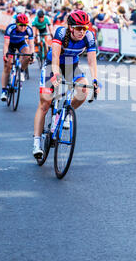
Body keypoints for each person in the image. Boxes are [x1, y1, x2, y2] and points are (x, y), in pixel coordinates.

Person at [33, 9, 100, 158]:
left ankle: (67, 114)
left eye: (85, 27)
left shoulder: (89, 36)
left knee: (83, 89)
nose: (82, 31)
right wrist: (56, 74)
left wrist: (95, 80)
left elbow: (91, 60)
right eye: (78, 28)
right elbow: (56, 55)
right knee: (45, 104)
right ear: (71, 27)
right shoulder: (61, 33)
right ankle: (37, 142)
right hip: (53, 64)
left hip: (71, 65)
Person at [0, 14, 34, 101]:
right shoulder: (10, 28)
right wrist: (5, 55)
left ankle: (21, 71)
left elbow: (31, 45)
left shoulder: (29, 30)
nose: (23, 27)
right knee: (7, 67)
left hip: (20, 43)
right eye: (21, 25)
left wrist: (32, 55)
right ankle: (4, 91)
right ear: (16, 23)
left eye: (25, 25)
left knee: (28, 54)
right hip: (10, 45)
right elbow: (6, 44)